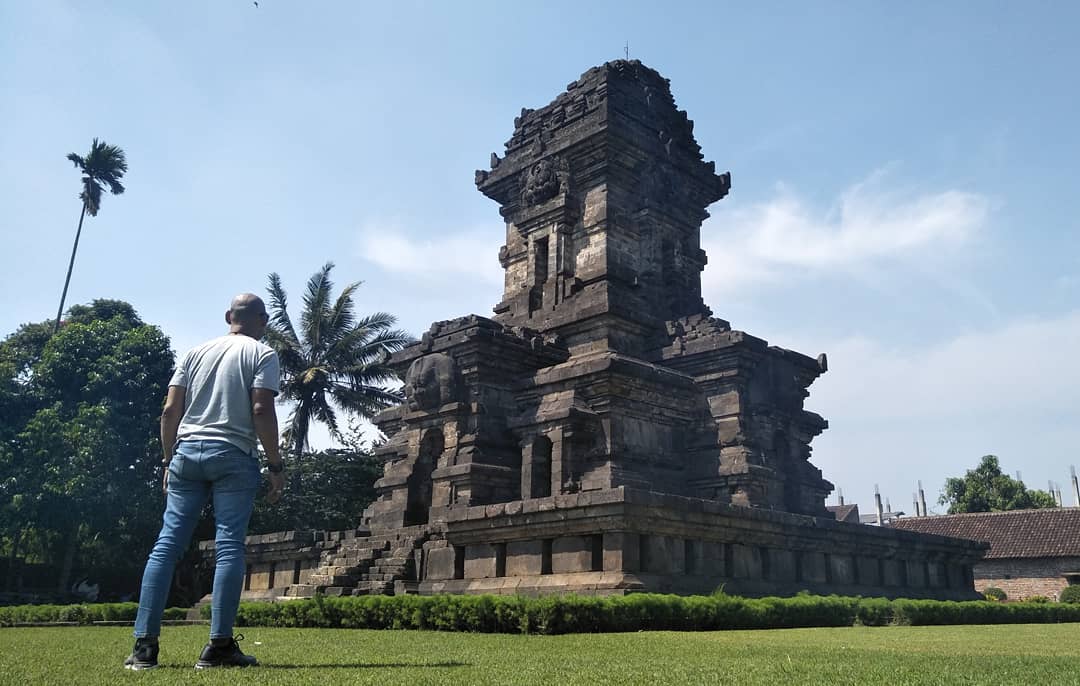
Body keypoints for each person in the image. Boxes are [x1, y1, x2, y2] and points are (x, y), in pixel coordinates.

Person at [124, 293, 285, 670]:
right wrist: (275, 465)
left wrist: (168, 460)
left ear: (229, 316)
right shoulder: (263, 354)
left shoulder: (194, 353)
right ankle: (219, 646)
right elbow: (261, 409)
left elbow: (170, 411)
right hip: (233, 454)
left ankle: (144, 647)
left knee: (166, 545)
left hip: (186, 453)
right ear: (262, 321)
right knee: (229, 546)